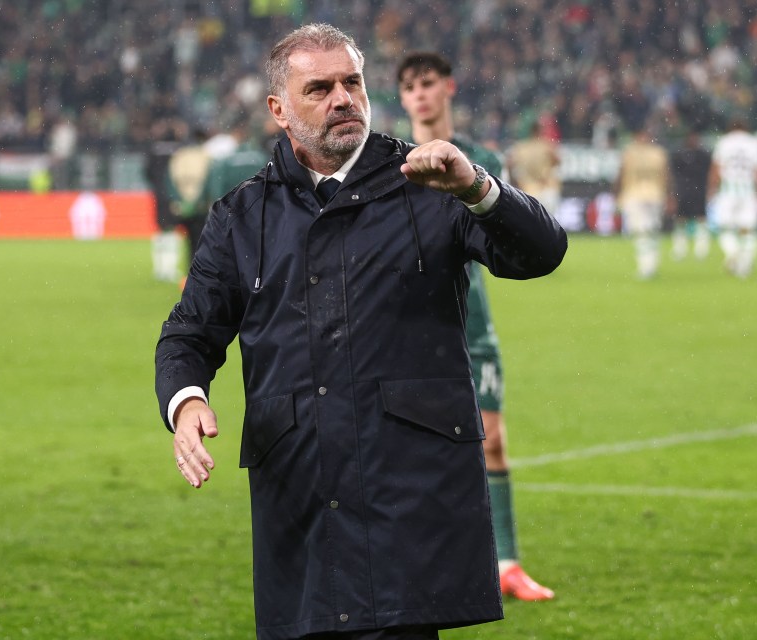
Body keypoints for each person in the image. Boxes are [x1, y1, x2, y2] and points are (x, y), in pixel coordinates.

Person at [155, 24, 567, 640]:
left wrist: (479, 189)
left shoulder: (429, 183)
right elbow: (188, 333)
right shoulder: (242, 214)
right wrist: (186, 401)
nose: (342, 98)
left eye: (352, 82)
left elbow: (541, 253)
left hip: (406, 504)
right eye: (319, 88)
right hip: (299, 501)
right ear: (279, 109)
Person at [396, 50, 554, 603]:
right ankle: (422, 562)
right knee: (412, 447)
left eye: (428, 82)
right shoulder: (394, 161)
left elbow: (508, 234)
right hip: (415, 324)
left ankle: (507, 564)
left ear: (448, 88)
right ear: (401, 97)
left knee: (493, 444)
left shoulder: (482, 156)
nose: (420, 93)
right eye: (410, 85)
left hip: (474, 322)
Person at [707, 119, 757, 278]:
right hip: (748, 190)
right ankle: (745, 266)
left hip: (728, 189)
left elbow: (716, 168)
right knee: (747, 229)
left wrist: (712, 189)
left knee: (725, 227)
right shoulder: (755, 143)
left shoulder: (724, 142)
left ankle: (732, 251)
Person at [615, 126, 670, 279]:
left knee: (641, 232)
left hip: (636, 195)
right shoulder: (658, 152)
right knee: (651, 231)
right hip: (654, 195)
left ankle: (647, 267)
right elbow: (666, 175)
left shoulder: (629, 152)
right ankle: (651, 263)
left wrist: (616, 192)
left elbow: (620, 174)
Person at [669, 130, 712, 260]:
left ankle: (701, 249)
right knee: (681, 221)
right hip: (683, 192)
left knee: (701, 220)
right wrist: (673, 194)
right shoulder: (678, 156)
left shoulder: (704, 156)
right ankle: (680, 249)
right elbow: (673, 176)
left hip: (699, 192)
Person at [507, 120, 562, 219]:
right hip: (547, 188)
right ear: (541, 130)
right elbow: (558, 161)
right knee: (550, 225)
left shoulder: (521, 148)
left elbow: (509, 164)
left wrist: (514, 182)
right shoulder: (547, 146)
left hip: (529, 191)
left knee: (532, 226)